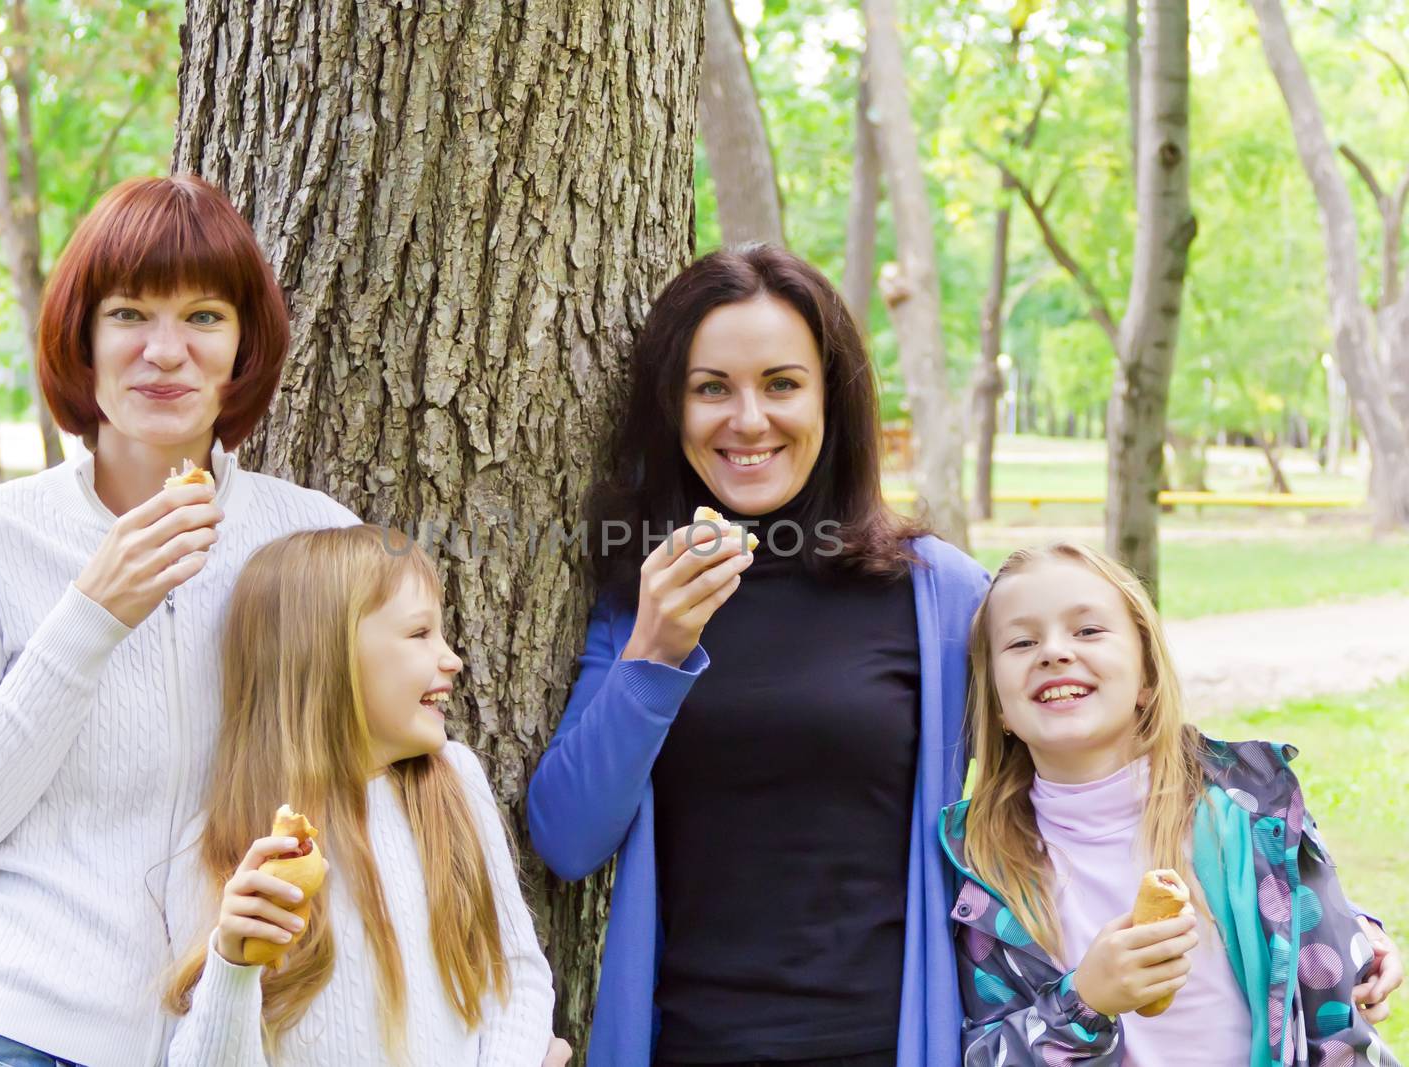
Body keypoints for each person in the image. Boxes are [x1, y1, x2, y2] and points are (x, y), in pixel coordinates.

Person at [0, 174, 364, 1066]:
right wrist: (90, 617)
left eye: (205, 317)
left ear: (245, 346)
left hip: (238, 1039)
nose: (165, 352)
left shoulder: (317, 538)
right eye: (129, 314)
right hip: (17, 1034)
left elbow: (389, 813)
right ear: (83, 338)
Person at [527, 245, 990, 1066]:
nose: (748, 419)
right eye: (713, 388)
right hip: (692, 1048)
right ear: (672, 407)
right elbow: (567, 838)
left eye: (782, 383)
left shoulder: (940, 596)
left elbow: (1071, 780)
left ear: (831, 400)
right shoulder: (643, 597)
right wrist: (655, 652)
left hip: (891, 1047)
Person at [943, 541, 1402, 1065]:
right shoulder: (977, 868)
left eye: (1088, 630)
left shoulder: (1251, 816)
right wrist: (1084, 1002)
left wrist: (1356, 932)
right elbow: (983, 1053)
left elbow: (1336, 1029)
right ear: (997, 705)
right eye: (1021, 642)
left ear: (1147, 679)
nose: (1054, 652)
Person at [162, 525, 556, 1065]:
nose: (452, 659)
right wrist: (232, 965)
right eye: (420, 634)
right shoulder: (221, 849)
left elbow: (518, 977)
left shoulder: (452, 786)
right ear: (326, 654)